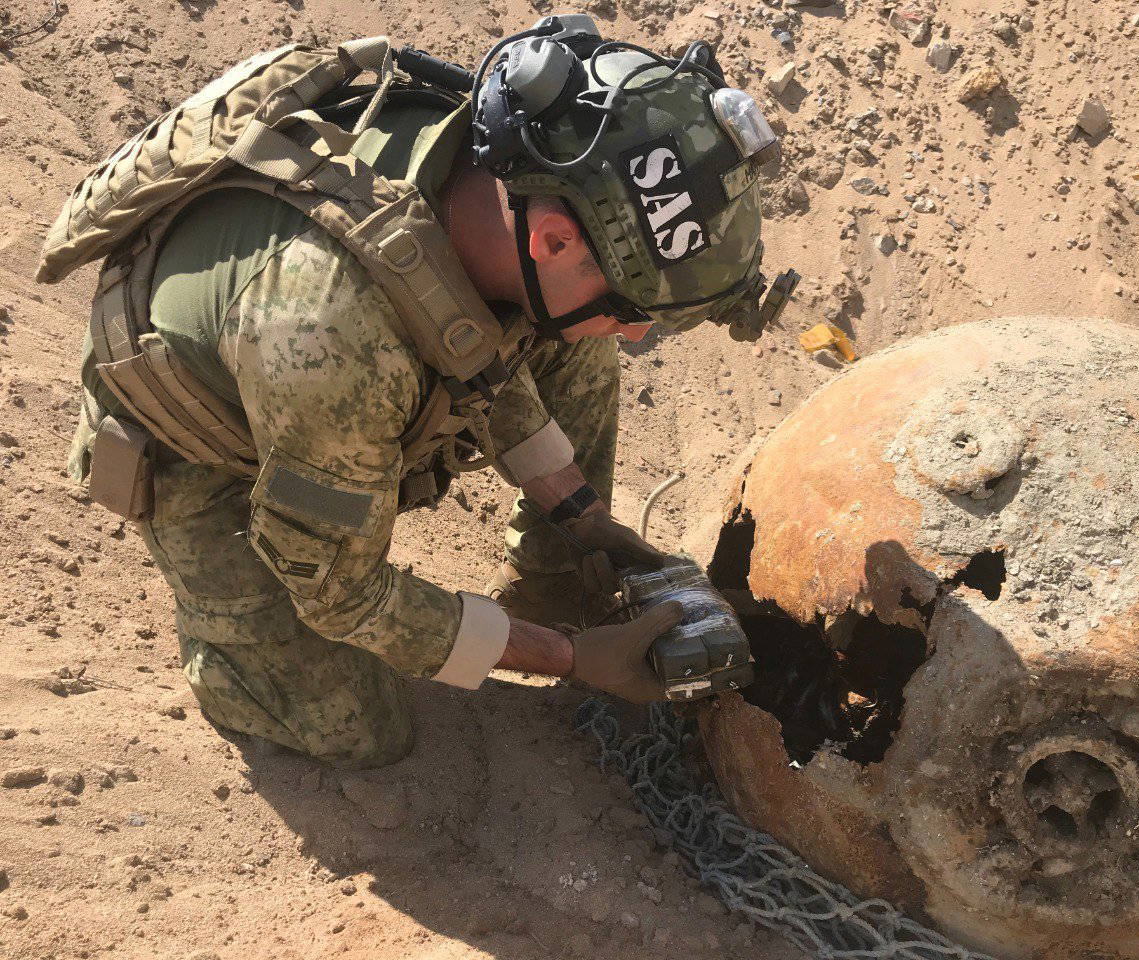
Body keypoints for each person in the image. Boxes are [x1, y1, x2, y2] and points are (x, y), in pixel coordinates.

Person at [53, 15, 789, 769]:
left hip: (330, 389)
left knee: (577, 342)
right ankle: (231, 647)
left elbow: (468, 334)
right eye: (635, 311)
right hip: (212, 459)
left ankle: (556, 583)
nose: (636, 337)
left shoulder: (497, 174)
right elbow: (344, 596)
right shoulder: (330, 332)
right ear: (556, 241)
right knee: (359, 731)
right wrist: (570, 659)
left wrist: (590, 525)